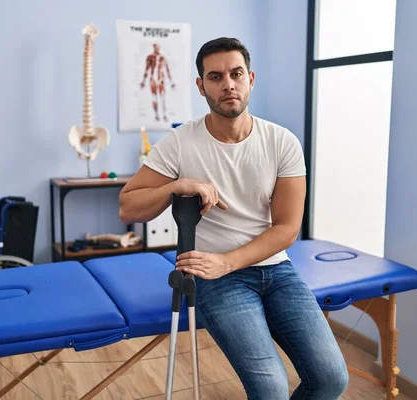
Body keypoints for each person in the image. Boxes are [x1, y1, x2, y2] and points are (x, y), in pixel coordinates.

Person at [119, 37, 349, 400]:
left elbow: (288, 229)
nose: (228, 84)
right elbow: (128, 207)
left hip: (275, 271)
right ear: (201, 85)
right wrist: (178, 185)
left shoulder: (282, 142)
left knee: (331, 378)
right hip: (215, 279)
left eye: (236, 73)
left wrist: (228, 261)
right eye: (215, 76)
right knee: (270, 387)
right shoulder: (180, 143)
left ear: (250, 78)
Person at [140, 43, 176, 122]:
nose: (157, 48)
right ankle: (156, 115)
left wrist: (171, 82)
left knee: (163, 98)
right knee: (155, 98)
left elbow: (167, 70)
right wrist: (143, 81)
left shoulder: (162, 58)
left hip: (161, 80)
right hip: (153, 80)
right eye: (155, 47)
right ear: (153, 47)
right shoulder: (150, 57)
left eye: (158, 47)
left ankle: (164, 115)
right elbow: (146, 69)